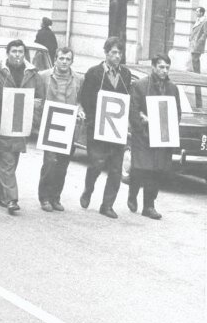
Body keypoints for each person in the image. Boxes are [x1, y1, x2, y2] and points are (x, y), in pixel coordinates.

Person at [77, 36, 133, 219]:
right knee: (96, 163)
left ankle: (107, 205)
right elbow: (85, 98)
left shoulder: (125, 74)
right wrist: (91, 118)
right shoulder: (94, 73)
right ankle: (88, 189)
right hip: (97, 126)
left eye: (120, 53)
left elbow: (126, 99)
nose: (117, 56)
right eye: (114, 52)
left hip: (116, 128)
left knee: (116, 169)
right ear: (106, 53)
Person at [0, 39, 44, 215]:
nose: (17, 55)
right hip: (1, 124)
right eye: (14, 51)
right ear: (7, 53)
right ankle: (11, 199)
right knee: (7, 161)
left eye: (20, 51)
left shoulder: (33, 74)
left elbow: (41, 96)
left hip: (20, 124)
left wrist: (35, 105)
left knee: (11, 161)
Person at [127, 54, 181, 220]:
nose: (164, 71)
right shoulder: (140, 85)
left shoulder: (172, 88)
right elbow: (133, 110)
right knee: (140, 168)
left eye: (167, 67)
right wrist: (143, 123)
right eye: (161, 67)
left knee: (156, 170)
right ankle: (132, 192)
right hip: (143, 135)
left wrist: (169, 128)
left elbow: (176, 113)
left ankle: (149, 205)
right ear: (153, 67)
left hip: (162, 137)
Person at [37, 47, 84, 212]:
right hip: (51, 123)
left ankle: (55, 197)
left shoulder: (78, 79)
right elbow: (37, 98)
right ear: (55, 59)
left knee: (62, 164)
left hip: (69, 124)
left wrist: (80, 109)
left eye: (68, 59)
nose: (64, 62)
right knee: (50, 162)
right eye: (61, 58)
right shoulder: (43, 77)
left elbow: (80, 100)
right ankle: (44, 197)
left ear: (72, 61)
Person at [189, 6, 206, 73]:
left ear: (201, 13)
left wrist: (200, 41)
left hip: (198, 43)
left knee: (195, 58)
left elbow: (205, 33)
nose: (196, 13)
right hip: (194, 42)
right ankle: (196, 73)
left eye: (197, 12)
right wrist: (190, 38)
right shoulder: (198, 20)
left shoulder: (204, 21)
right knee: (194, 58)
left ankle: (197, 73)